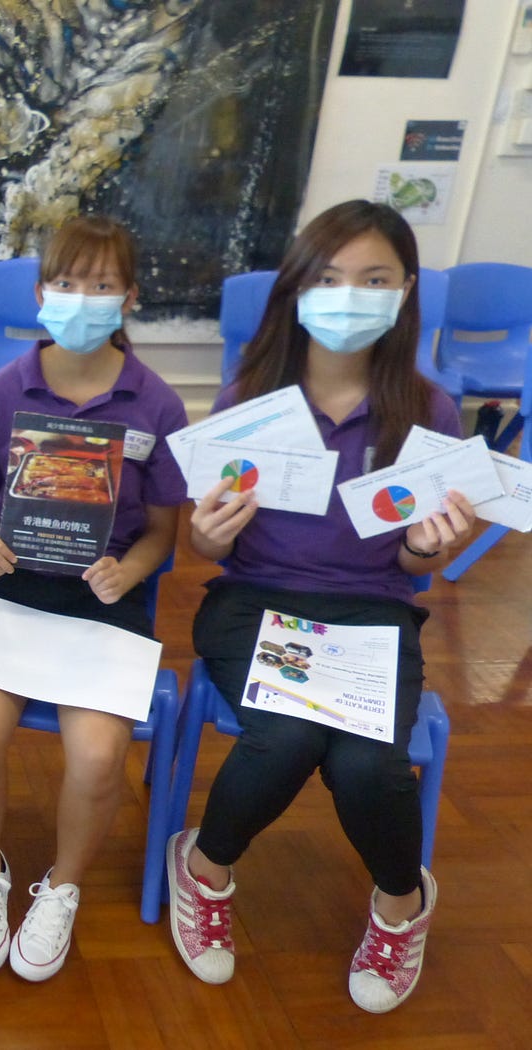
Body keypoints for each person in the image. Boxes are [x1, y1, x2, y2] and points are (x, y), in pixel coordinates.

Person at [167, 200, 475, 1014]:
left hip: (371, 612)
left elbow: (414, 566)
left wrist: (430, 547)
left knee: (368, 763)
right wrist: (205, 533)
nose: (349, 297)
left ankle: (402, 906)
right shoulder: (250, 397)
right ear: (298, 289)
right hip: (256, 604)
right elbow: (213, 546)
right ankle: (204, 868)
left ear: (405, 292)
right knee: (290, 733)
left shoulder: (429, 411)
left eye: (374, 280)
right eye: (330, 278)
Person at [0, 216, 187, 981]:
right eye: (68, 282)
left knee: (99, 755)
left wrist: (131, 572)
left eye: (102, 285)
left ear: (129, 298)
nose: (83, 298)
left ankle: (64, 885)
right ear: (42, 293)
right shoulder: (4, 392)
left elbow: (164, 531)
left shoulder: (157, 404)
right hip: (7, 586)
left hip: (101, 595)